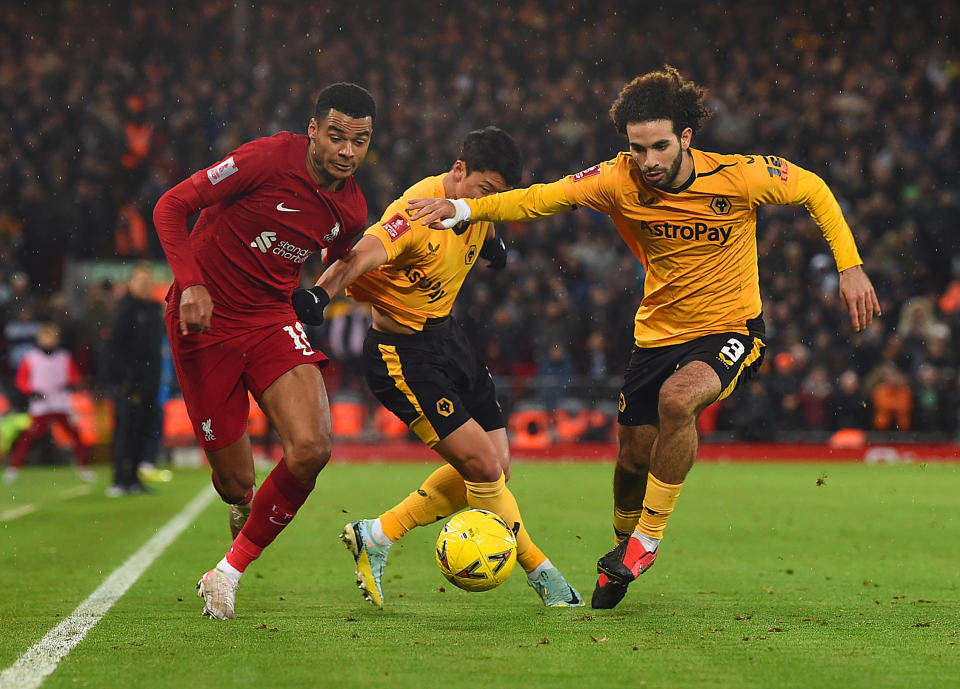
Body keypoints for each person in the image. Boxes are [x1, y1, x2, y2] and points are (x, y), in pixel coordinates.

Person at [408, 66, 881, 609]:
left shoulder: (740, 175)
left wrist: (850, 266)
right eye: (638, 149)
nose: (649, 161)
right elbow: (541, 199)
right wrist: (465, 207)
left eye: (659, 146)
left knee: (677, 401)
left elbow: (815, 190)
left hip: (730, 327)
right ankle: (622, 549)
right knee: (631, 461)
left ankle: (646, 541)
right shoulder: (617, 179)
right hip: (656, 335)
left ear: (686, 138)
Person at [295, 126, 582, 608]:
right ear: (457, 171)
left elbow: (483, 218)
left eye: (499, 196)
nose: (490, 202)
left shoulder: (477, 209)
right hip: (402, 355)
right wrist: (321, 292)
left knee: (496, 466)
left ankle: (378, 534)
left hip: (448, 337)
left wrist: (490, 242)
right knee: (484, 468)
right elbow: (362, 253)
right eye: (485, 191)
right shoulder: (416, 212)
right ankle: (543, 574)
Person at [152, 83, 375, 619]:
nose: (348, 151)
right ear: (314, 130)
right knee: (236, 483)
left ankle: (226, 572)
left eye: (361, 140)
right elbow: (170, 206)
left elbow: (343, 259)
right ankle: (242, 505)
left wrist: (321, 292)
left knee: (313, 447)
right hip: (201, 321)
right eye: (338, 136)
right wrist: (192, 285)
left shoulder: (351, 208)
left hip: (271, 320)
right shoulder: (266, 158)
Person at [4, 323, 93, 484]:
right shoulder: (31, 357)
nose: (48, 340)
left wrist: (71, 385)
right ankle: (13, 468)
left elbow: (73, 377)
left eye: (51, 337)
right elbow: (22, 381)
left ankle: (83, 467)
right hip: (41, 405)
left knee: (75, 435)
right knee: (29, 436)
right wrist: (32, 391)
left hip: (60, 403)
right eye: (45, 336)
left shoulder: (64, 357)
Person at [104, 263, 164, 496]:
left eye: (148, 282)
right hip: (130, 382)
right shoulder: (125, 310)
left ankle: (134, 478)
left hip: (150, 380)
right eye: (140, 281)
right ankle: (119, 480)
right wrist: (123, 379)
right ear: (131, 283)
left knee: (142, 430)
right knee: (125, 431)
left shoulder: (153, 309)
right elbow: (115, 348)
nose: (145, 286)